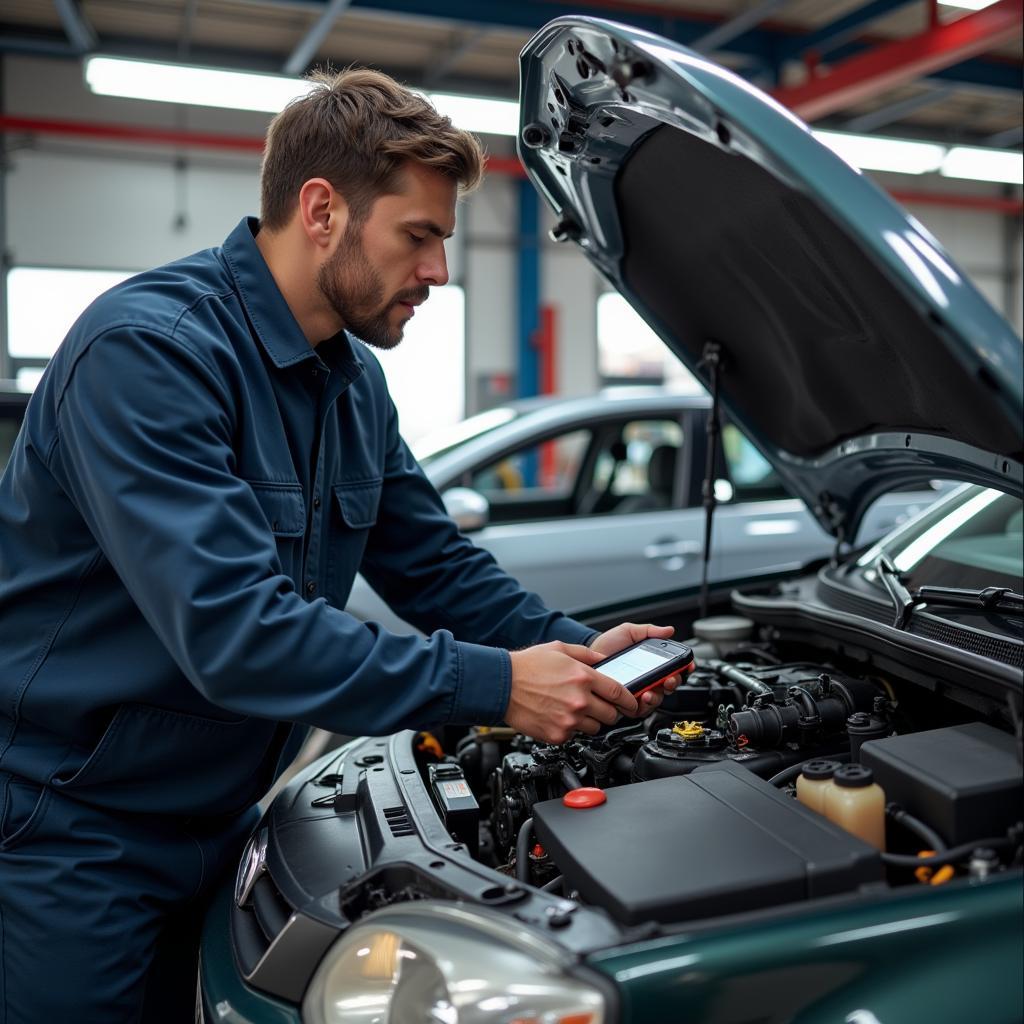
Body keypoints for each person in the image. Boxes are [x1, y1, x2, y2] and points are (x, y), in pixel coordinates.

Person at [0, 69, 681, 1022]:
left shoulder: (351, 381)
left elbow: (433, 565)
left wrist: (576, 651)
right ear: (322, 210)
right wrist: (497, 686)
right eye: (420, 235)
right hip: (71, 831)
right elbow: (239, 634)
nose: (440, 272)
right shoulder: (149, 355)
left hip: (227, 815)